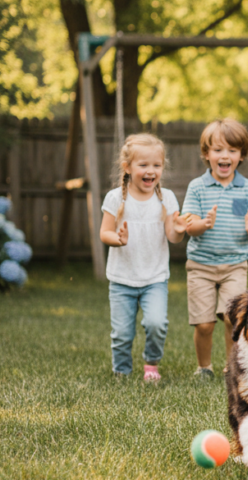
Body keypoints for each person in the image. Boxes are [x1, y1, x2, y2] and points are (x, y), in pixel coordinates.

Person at [181, 119, 248, 380]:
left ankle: (232, 367)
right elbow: (189, 226)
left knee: (233, 319)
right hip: (201, 266)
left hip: (234, 265)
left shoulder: (247, 188)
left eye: (232, 150)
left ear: (242, 155)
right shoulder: (198, 187)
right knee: (204, 324)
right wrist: (203, 224)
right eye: (218, 150)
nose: (225, 156)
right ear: (207, 154)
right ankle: (204, 367)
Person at [100, 133, 185, 381]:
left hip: (154, 278)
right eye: (143, 165)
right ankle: (122, 371)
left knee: (157, 323)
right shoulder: (115, 198)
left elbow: (172, 236)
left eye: (157, 165)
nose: (151, 171)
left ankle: (151, 364)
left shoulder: (166, 198)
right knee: (122, 333)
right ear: (127, 167)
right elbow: (104, 233)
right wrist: (118, 239)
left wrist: (179, 230)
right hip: (122, 279)